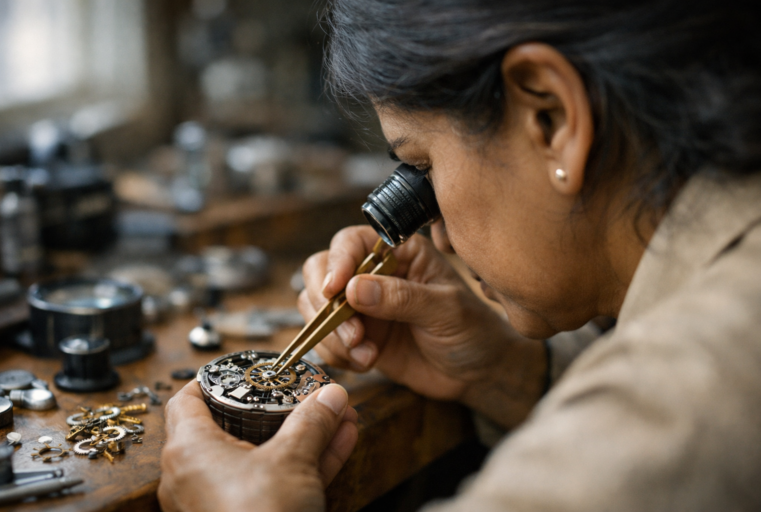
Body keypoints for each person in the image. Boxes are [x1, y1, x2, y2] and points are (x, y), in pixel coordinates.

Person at [159, 1, 761, 510]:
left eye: (421, 167)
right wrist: (509, 373)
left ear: (550, 117)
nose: (436, 236)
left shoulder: (688, 405)